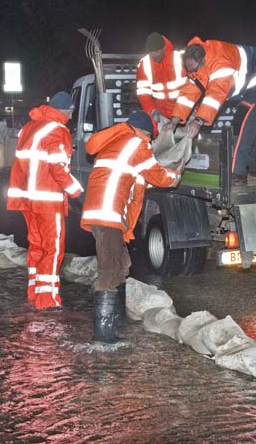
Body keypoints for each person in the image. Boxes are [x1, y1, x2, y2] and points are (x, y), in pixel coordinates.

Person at [81, 110, 182, 343]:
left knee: (122, 263)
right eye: (151, 138)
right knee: (109, 270)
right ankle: (104, 333)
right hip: (108, 215)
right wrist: (175, 176)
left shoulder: (118, 144)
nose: (150, 142)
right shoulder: (137, 144)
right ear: (146, 133)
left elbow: (137, 181)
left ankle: (117, 319)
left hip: (104, 214)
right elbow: (157, 175)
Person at [168, 36, 256, 185]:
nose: (191, 72)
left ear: (203, 61)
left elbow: (215, 96)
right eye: (188, 70)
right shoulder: (198, 63)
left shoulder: (221, 66)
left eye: (193, 69)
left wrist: (198, 121)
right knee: (252, 126)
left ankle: (238, 173)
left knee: (242, 124)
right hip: (254, 84)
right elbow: (188, 93)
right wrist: (174, 121)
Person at [7, 91, 84, 310]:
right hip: (48, 200)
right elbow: (58, 168)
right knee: (54, 248)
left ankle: (34, 292)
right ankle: (47, 300)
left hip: (27, 200)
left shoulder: (30, 128)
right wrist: (78, 193)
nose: (72, 114)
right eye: (71, 111)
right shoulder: (57, 130)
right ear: (66, 110)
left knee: (36, 245)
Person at [135, 32, 188, 120]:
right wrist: (151, 110)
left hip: (184, 109)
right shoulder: (144, 64)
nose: (154, 55)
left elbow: (193, 87)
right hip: (160, 113)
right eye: (151, 52)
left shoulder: (180, 58)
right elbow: (143, 92)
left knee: (188, 132)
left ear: (164, 48)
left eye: (157, 51)